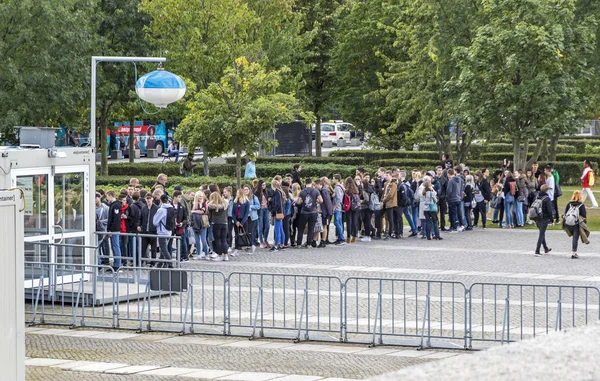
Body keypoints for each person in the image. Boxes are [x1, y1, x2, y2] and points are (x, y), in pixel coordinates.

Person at [296, 178, 323, 247]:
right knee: (311, 228)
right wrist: (316, 201)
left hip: (304, 212)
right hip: (313, 212)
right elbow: (321, 200)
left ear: (305, 183)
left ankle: (299, 243)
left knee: (301, 228)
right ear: (311, 183)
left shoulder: (302, 192)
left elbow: (298, 202)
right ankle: (309, 244)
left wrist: (302, 201)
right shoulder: (316, 191)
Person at [563, 190, 588, 259]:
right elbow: (584, 216)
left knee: (573, 235)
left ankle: (574, 251)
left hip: (568, 223)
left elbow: (565, 213)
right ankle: (574, 252)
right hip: (576, 223)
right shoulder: (581, 205)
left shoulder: (569, 204)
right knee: (575, 237)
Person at [153, 194, 174, 268]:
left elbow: (155, 222)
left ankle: (170, 264)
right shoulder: (171, 208)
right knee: (163, 249)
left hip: (162, 231)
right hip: (169, 231)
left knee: (164, 249)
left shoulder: (161, 210)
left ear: (161, 200)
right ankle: (159, 264)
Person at [208, 191, 230, 261]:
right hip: (224, 223)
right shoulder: (225, 204)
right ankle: (226, 255)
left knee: (218, 240)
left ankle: (219, 254)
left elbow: (208, 209)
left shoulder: (212, 206)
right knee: (224, 240)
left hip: (216, 223)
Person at [533, 185, 554, 257]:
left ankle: (546, 249)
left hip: (537, 217)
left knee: (542, 234)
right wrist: (552, 220)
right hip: (544, 218)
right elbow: (549, 211)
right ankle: (537, 250)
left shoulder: (537, 196)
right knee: (541, 234)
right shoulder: (547, 198)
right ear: (546, 190)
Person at [140, 193, 158, 266]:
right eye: (147, 198)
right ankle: (142, 261)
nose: (148, 200)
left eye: (149, 198)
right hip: (145, 231)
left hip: (153, 231)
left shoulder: (156, 208)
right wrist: (139, 225)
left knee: (153, 248)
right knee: (143, 247)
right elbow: (141, 218)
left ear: (152, 199)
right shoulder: (143, 208)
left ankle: (153, 262)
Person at [191, 191, 210, 260]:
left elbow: (202, 211)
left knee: (203, 240)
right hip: (195, 223)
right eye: (199, 196)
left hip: (203, 223)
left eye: (201, 196)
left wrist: (194, 211)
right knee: (197, 240)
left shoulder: (204, 204)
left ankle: (206, 254)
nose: (200, 197)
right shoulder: (193, 204)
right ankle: (198, 254)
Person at [232, 188, 250, 258]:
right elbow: (232, 213)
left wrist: (242, 222)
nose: (237, 194)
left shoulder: (246, 202)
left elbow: (246, 213)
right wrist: (236, 221)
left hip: (243, 220)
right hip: (236, 220)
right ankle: (236, 249)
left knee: (244, 234)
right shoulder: (235, 202)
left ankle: (247, 245)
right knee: (237, 235)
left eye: (238, 193)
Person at [269, 179, 286, 251]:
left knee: (277, 229)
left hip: (277, 213)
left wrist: (272, 211)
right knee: (281, 229)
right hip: (281, 212)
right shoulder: (280, 192)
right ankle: (282, 244)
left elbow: (277, 204)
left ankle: (276, 245)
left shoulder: (276, 193)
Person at [254, 180, 271, 248]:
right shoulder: (256, 193)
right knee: (260, 226)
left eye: (264, 185)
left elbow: (269, 198)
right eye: (262, 185)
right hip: (260, 210)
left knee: (267, 225)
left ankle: (265, 240)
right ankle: (261, 241)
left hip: (266, 209)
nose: (264, 186)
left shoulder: (266, 192)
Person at [344, 176, 361, 243]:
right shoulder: (355, 189)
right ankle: (354, 237)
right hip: (356, 207)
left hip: (349, 207)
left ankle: (348, 237)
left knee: (349, 222)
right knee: (355, 222)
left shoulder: (347, 190)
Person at [95, 193, 110, 266]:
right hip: (96, 230)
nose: (94, 200)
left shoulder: (106, 208)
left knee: (105, 245)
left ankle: (106, 260)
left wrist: (100, 222)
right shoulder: (93, 208)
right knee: (98, 246)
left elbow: (109, 219)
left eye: (96, 198)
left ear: (99, 198)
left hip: (104, 229)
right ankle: (99, 260)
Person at [332, 174, 346, 245]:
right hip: (340, 207)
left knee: (337, 222)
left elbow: (339, 198)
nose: (332, 180)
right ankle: (340, 238)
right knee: (339, 222)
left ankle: (342, 238)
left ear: (337, 179)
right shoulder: (341, 186)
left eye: (333, 179)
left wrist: (334, 206)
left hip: (337, 207)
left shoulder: (337, 187)